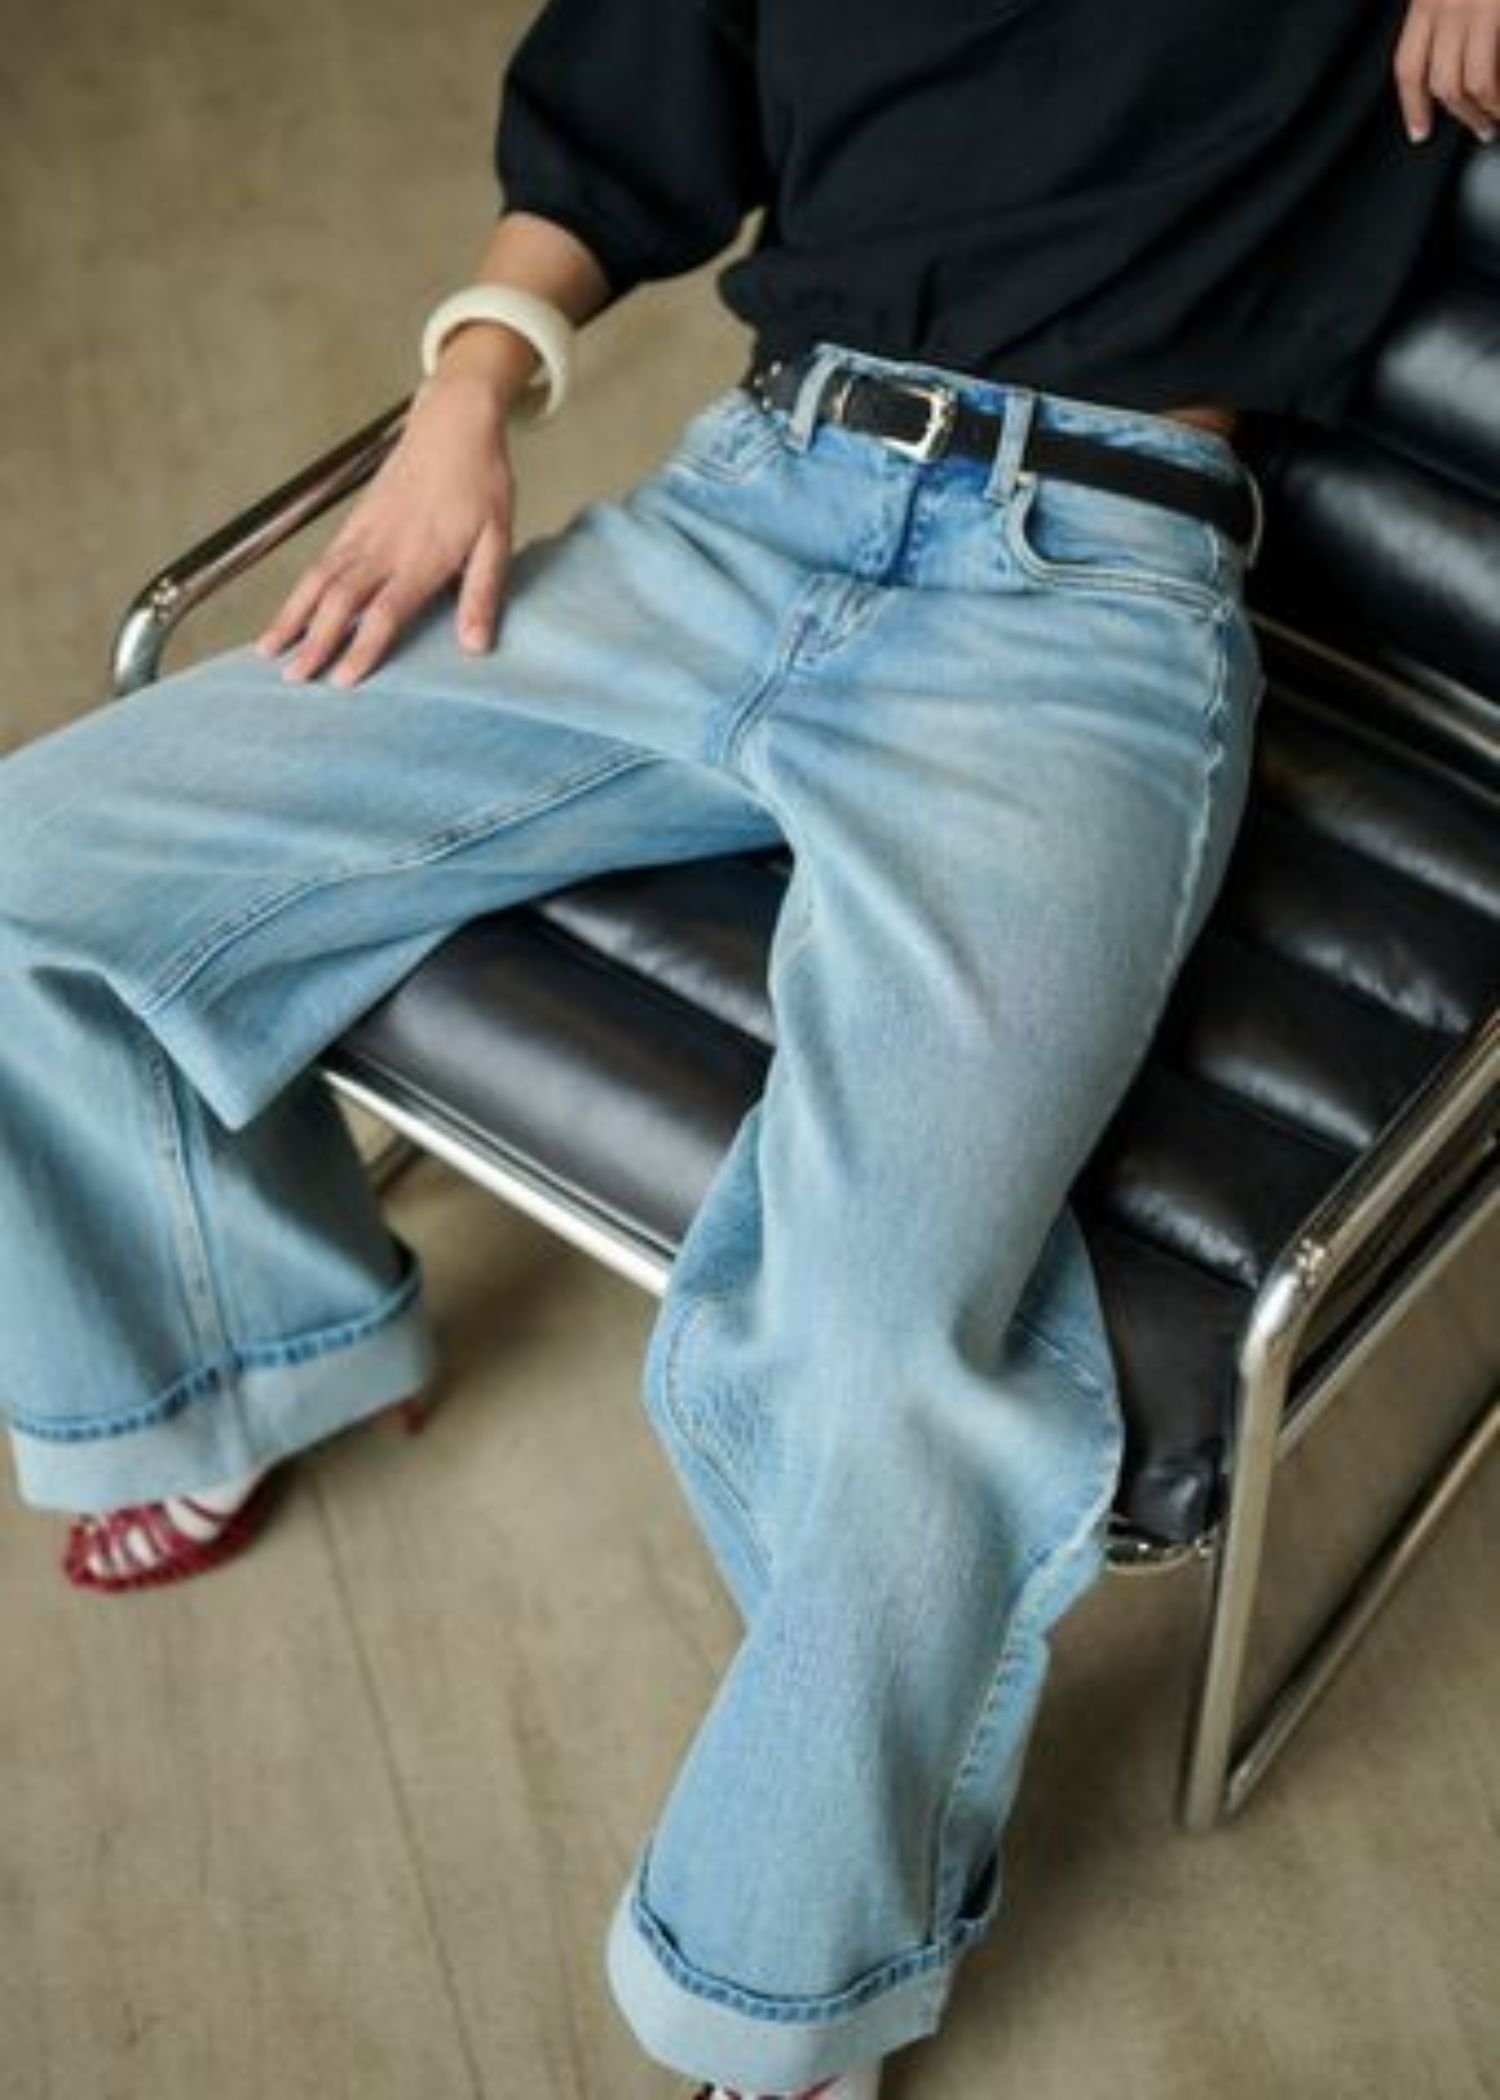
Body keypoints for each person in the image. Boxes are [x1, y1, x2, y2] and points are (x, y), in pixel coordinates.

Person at [0, 0, 1487, 2093]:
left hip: (1080, 614)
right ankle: (227, 1364)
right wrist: (463, 391)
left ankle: (779, 1990)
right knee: (33, 872)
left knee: (877, 1344)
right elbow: (638, 90)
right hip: (744, 506)